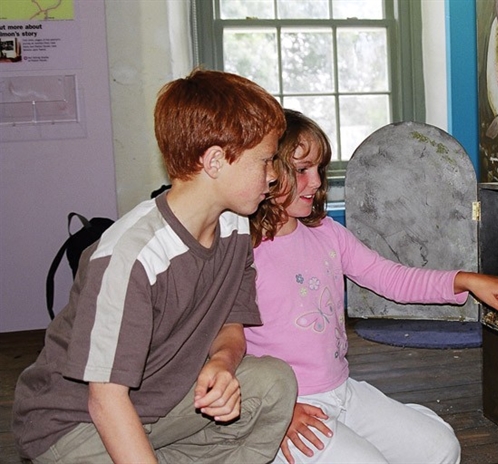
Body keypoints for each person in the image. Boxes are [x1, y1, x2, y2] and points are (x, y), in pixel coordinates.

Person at [12, 69, 298, 464]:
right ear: (215, 160)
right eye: (266, 160)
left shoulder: (233, 225)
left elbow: (231, 320)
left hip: (160, 405)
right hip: (77, 425)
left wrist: (222, 362)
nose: (273, 175)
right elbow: (105, 400)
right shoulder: (129, 258)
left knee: (273, 383)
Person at [246, 109, 498, 464]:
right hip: (286, 409)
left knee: (441, 448)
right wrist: (276, 411)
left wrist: (464, 280)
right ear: (267, 169)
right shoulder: (240, 251)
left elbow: (390, 277)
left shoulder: (327, 233)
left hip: (342, 391)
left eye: (319, 169)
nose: (316, 182)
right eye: (301, 170)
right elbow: (218, 348)